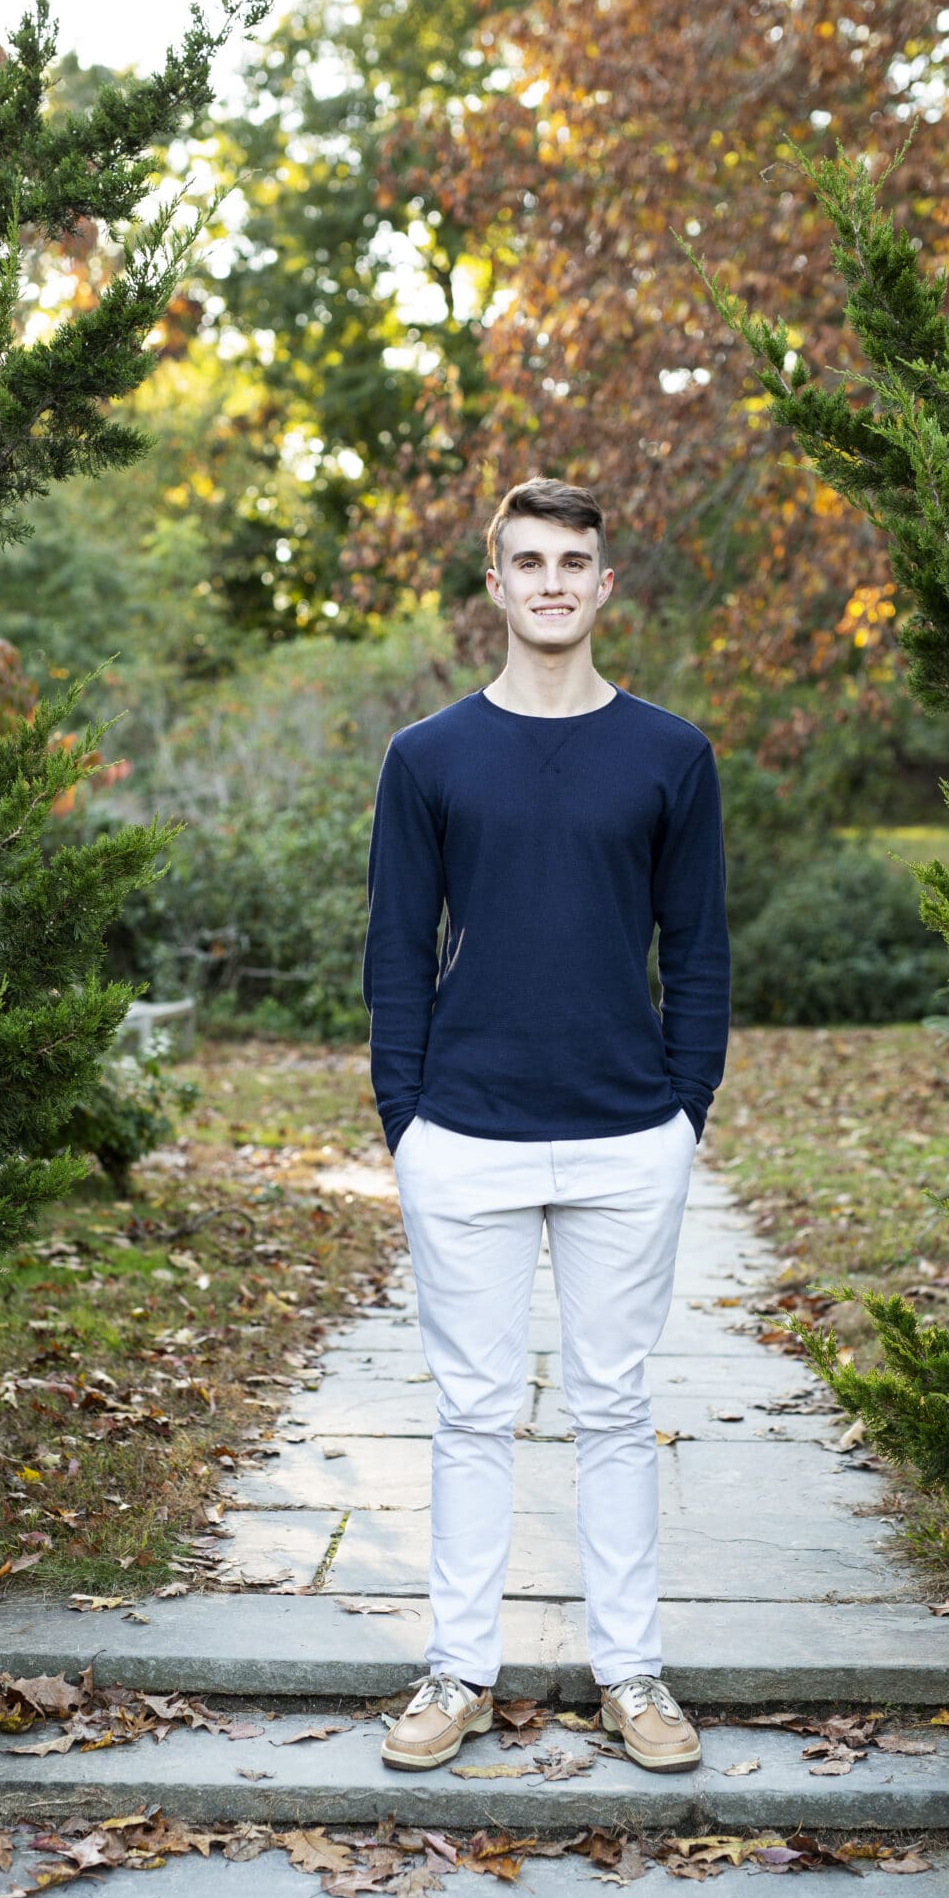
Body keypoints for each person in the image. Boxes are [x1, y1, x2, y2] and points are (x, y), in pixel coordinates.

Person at [360, 476, 730, 1776]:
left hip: (629, 1132)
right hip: (463, 1133)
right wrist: (403, 1122)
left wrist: (684, 1108)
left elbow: (700, 948)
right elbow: (396, 952)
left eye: (575, 558)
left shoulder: (670, 756)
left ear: (604, 585)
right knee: (470, 1414)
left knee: (616, 1409)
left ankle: (631, 1678)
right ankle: (456, 1673)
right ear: (496, 586)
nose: (554, 581)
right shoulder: (429, 759)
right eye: (529, 561)